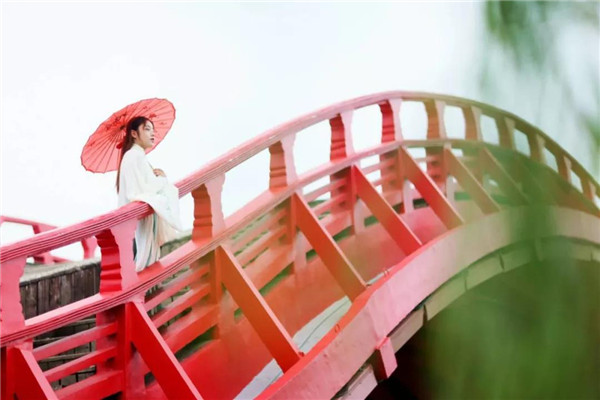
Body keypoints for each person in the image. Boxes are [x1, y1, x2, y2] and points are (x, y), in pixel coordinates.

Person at [116, 116, 183, 271]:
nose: (152, 133)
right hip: (140, 217)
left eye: (153, 130)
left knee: (146, 262)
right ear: (134, 134)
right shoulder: (133, 156)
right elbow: (140, 191)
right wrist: (162, 180)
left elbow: (144, 185)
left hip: (142, 219)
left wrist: (158, 178)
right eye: (147, 129)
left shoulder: (137, 156)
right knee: (144, 263)